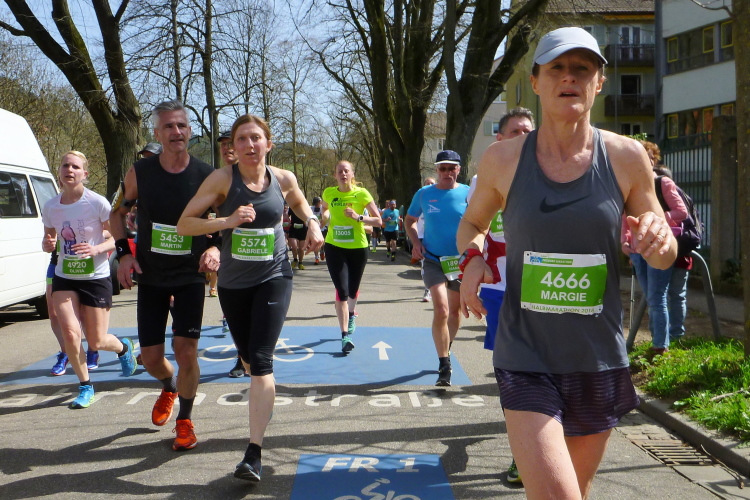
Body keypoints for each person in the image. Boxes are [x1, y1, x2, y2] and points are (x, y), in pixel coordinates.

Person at [457, 27, 676, 499]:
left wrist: (657, 239)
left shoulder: (625, 156)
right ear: (536, 82)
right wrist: (472, 259)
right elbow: (472, 223)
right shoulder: (503, 159)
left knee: (577, 488)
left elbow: (665, 251)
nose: (569, 77)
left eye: (582, 69)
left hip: (597, 357)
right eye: (557, 68)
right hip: (526, 355)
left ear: (599, 82)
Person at [177, 113, 324, 481]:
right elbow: (184, 224)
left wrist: (312, 223)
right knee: (246, 358)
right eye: (241, 139)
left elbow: (299, 202)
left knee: (260, 362)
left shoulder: (283, 178)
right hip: (233, 284)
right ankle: (256, 385)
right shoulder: (222, 180)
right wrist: (226, 221)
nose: (249, 145)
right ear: (234, 147)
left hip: (274, 276)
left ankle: (253, 453)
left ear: (268, 144)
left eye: (256, 138)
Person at [111, 100, 219, 451]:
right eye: (169, 127)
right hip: (152, 276)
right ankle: (169, 386)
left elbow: (224, 220)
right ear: (157, 133)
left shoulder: (207, 175)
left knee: (186, 351)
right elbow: (117, 214)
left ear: (190, 131)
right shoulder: (140, 172)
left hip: (190, 275)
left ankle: (185, 420)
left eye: (182, 125)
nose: (176, 132)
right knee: (153, 359)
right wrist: (124, 255)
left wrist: (215, 247)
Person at [467, 107, 535, 484]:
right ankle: (521, 451)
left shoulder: (551, 175)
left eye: (528, 131)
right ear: (500, 138)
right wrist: (472, 262)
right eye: (515, 132)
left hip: (545, 290)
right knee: (512, 371)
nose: (522, 137)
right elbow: (474, 226)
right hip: (500, 289)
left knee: (545, 370)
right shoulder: (485, 178)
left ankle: (544, 439)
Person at [42, 151, 137, 408]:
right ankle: (85, 385)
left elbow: (116, 238)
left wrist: (96, 249)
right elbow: (49, 240)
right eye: (65, 165)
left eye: (75, 166)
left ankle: (123, 348)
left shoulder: (97, 203)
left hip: (95, 277)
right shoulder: (51, 206)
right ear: (59, 171)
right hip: (65, 276)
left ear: (84, 173)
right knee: (70, 333)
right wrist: (47, 244)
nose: (69, 170)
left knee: (96, 340)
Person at [405, 150, 469, 387]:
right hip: (432, 258)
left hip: (460, 260)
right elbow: (409, 220)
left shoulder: (468, 193)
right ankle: (444, 364)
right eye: (442, 168)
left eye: (451, 168)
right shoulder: (424, 194)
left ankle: (446, 348)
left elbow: (481, 222)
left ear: (458, 170)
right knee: (441, 309)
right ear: (436, 170)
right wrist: (416, 242)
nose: (447, 172)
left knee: (454, 312)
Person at [621, 143, 687, 355]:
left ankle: (660, 346)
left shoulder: (663, 183)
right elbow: (624, 219)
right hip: (637, 251)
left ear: (654, 160)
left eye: (647, 156)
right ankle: (658, 341)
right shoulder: (628, 184)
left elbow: (681, 212)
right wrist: (625, 243)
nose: (641, 160)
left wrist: (656, 219)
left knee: (658, 297)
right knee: (651, 298)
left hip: (659, 246)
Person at [321, 161, 381, 354]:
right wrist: (325, 215)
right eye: (340, 171)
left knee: (352, 290)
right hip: (334, 246)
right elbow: (324, 208)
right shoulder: (329, 193)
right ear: (335, 175)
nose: (343, 174)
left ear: (352, 174)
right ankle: (345, 335)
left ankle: (352, 313)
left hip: (358, 248)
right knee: (342, 290)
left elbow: (378, 220)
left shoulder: (362, 194)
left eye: (346, 171)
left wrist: (358, 217)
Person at [654, 165, 692, 343]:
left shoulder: (674, 196)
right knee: (667, 295)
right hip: (670, 252)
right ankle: (668, 336)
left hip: (677, 252)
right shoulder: (680, 196)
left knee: (671, 295)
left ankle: (672, 335)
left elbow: (683, 214)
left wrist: (661, 217)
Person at [416, 177, 436, 302]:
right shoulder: (419, 200)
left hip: (437, 238)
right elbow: (411, 220)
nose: (429, 185)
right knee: (425, 265)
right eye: (427, 183)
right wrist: (414, 240)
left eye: (432, 183)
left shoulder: (440, 199)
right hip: (422, 237)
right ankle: (427, 290)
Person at [311, 196, 327, 263]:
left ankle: (322, 251)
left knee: (322, 243)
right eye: (315, 203)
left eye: (318, 203)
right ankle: (316, 257)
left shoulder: (323, 208)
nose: (317, 205)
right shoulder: (311, 208)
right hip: (315, 229)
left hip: (323, 228)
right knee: (316, 243)